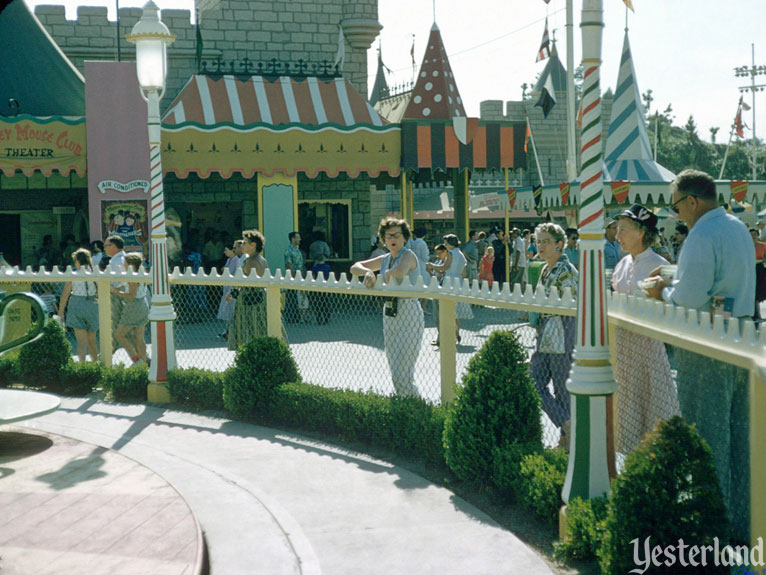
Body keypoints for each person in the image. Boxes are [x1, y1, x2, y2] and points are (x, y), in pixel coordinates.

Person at [646, 169, 754, 542]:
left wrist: (663, 292)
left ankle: (711, 528)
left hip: (706, 342)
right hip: (740, 336)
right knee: (741, 435)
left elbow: (691, 296)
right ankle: (744, 521)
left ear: (692, 201)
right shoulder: (736, 227)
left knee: (707, 435)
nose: (676, 214)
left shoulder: (702, 234)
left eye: (676, 206)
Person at [611, 204, 679, 453]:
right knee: (626, 403)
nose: (618, 236)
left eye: (623, 230)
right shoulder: (622, 264)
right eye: (617, 230)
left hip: (648, 344)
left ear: (641, 232)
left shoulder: (658, 264)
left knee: (652, 402)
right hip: (622, 345)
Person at [351, 217, 424, 396]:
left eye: (397, 235)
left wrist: (381, 275)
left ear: (404, 238)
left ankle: (415, 406)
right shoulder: (384, 259)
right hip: (390, 311)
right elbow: (354, 267)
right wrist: (368, 271)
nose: (392, 239)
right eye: (388, 235)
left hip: (408, 310)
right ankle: (404, 404)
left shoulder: (408, 255)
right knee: (394, 368)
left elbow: (399, 272)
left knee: (403, 372)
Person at [529, 222, 578, 447]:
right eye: (538, 241)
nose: (541, 246)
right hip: (546, 328)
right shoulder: (545, 268)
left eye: (546, 241)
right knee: (533, 380)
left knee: (561, 385)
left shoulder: (565, 270)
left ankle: (566, 438)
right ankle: (566, 424)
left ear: (560, 244)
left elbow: (570, 304)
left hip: (562, 326)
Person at [229, 230, 287, 350]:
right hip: (262, 298)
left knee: (251, 329)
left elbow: (249, 284)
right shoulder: (261, 259)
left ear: (253, 245)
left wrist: (234, 293)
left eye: (245, 243)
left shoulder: (251, 262)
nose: (242, 245)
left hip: (250, 302)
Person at [425, 234, 471, 346]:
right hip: (458, 280)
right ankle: (456, 331)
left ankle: (451, 334)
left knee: (447, 308)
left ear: (450, 244)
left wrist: (432, 266)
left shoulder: (451, 253)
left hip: (449, 280)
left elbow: (445, 267)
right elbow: (464, 272)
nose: (445, 245)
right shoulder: (460, 254)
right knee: (456, 309)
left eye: (446, 243)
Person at [58, 248, 99, 362]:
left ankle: (82, 365)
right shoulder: (95, 274)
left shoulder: (73, 275)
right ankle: (95, 363)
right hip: (92, 305)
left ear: (77, 261)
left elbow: (65, 294)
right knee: (92, 339)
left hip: (76, 304)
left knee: (81, 341)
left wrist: (61, 311)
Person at [112, 253, 149, 366]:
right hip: (144, 304)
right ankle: (143, 361)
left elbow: (131, 295)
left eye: (125, 262)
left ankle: (136, 359)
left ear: (129, 264)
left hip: (133, 306)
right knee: (139, 336)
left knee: (119, 334)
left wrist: (114, 291)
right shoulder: (142, 273)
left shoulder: (132, 276)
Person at [104, 235, 128, 342]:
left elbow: (118, 281)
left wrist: (110, 288)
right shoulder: (121, 258)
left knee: (117, 325)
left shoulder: (116, 261)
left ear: (113, 247)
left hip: (118, 295)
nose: (104, 248)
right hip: (122, 294)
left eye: (107, 246)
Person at [216, 242, 241, 340]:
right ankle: (227, 330)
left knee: (230, 310)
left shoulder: (236, 261)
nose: (225, 252)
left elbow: (229, 272)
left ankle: (230, 331)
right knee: (226, 311)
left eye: (226, 250)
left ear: (232, 251)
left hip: (231, 288)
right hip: (226, 287)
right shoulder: (229, 260)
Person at [284, 231, 307, 323]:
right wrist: (294, 276)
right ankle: (290, 317)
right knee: (291, 296)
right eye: (297, 237)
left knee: (298, 296)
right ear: (292, 239)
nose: (299, 239)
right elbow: (288, 264)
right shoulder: (289, 250)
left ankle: (296, 317)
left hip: (299, 274)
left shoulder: (297, 250)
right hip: (293, 276)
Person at [310, 254, 333, 325]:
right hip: (326, 287)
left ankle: (319, 319)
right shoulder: (327, 267)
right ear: (324, 259)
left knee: (318, 304)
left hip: (318, 287)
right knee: (327, 303)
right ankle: (326, 318)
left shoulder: (314, 267)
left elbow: (313, 276)